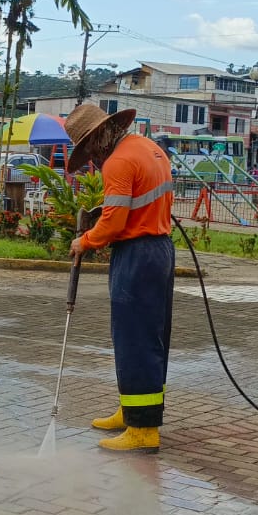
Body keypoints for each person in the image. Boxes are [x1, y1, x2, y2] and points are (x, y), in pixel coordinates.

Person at [65, 103, 176, 454]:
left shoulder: (119, 161)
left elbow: (113, 224)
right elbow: (135, 203)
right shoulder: (148, 148)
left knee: (135, 340)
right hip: (159, 248)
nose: (93, 159)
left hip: (137, 254)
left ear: (98, 137)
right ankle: (134, 411)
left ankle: (143, 429)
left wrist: (84, 241)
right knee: (149, 337)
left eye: (89, 149)